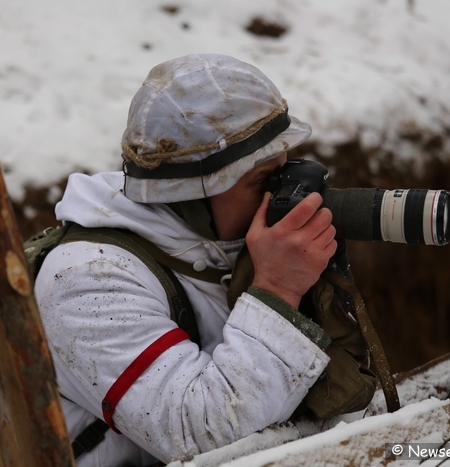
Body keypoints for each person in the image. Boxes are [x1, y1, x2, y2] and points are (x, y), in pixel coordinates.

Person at [35, 53, 356, 467]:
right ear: (188, 192)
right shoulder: (86, 279)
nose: (281, 195)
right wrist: (278, 289)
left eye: (284, 171)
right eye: (264, 181)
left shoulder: (213, 240)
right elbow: (200, 438)